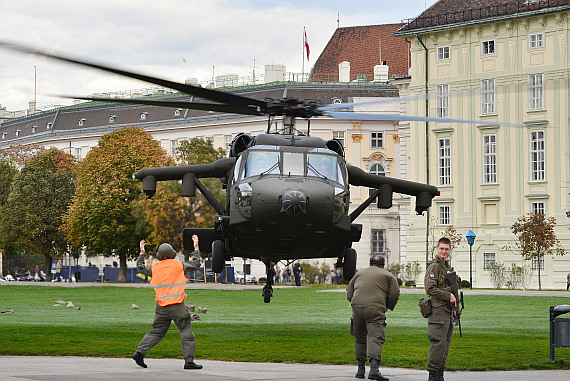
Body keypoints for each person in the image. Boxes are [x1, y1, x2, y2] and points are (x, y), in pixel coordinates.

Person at [132, 235, 203, 370]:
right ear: (172, 253)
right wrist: (196, 247)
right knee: (185, 330)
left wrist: (142, 253)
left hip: (161, 306)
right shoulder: (179, 265)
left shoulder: (155, 267)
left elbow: (140, 267)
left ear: (159, 255)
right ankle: (189, 361)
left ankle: (139, 352)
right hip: (177, 305)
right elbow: (197, 263)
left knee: (157, 331)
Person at [346, 255, 399, 380]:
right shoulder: (388, 276)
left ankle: (360, 370)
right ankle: (374, 370)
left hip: (357, 308)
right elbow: (395, 293)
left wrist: (356, 302)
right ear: (383, 266)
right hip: (375, 309)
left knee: (360, 339)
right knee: (375, 337)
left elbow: (349, 293)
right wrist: (388, 306)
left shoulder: (358, 274)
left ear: (370, 264)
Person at [424, 237, 457, 381]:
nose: (444, 251)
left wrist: (455, 310)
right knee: (438, 344)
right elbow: (430, 289)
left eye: (446, 249)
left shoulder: (447, 266)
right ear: (437, 249)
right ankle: (433, 375)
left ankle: (439, 374)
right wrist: (448, 296)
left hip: (447, 312)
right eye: (441, 248)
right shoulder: (434, 266)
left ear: (450, 250)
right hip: (438, 311)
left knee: (445, 345)